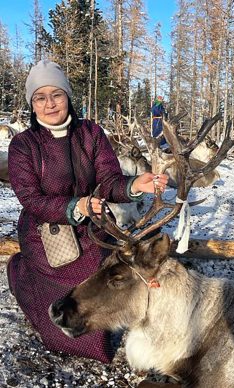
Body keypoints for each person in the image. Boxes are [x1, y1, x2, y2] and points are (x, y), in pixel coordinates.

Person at [6, 59, 169, 363]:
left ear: (68, 96)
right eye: (40, 97)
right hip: (46, 235)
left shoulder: (91, 133)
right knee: (63, 327)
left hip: (93, 229)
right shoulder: (23, 145)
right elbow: (31, 198)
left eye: (57, 94)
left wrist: (135, 186)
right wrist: (74, 206)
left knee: (101, 283)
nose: (50, 104)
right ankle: (21, 274)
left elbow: (108, 181)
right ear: (32, 104)